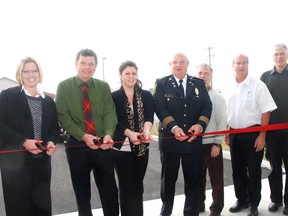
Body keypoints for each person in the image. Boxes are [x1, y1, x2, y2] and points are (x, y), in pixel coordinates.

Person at [55, 49, 119, 216]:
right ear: (76, 64)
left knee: (110, 191)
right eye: (83, 63)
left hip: (102, 144)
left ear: (96, 67)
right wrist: (83, 136)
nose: (87, 67)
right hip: (77, 145)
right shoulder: (63, 86)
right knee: (82, 192)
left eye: (91, 64)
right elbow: (63, 116)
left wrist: (108, 134)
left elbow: (109, 113)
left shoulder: (103, 87)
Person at [153, 52, 212, 216]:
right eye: (174, 62)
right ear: (170, 64)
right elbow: (160, 108)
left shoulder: (198, 84)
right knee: (168, 182)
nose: (178, 65)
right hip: (170, 140)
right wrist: (173, 127)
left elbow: (207, 107)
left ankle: (191, 212)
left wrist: (200, 126)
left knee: (193, 181)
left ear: (188, 63)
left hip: (193, 141)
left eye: (181, 62)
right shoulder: (162, 83)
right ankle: (166, 211)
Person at [0, 57, 60, 216]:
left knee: (42, 209)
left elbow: (54, 129)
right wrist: (24, 141)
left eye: (34, 70)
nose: (30, 74)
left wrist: (52, 142)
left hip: (42, 165)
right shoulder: (7, 96)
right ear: (20, 74)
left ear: (40, 74)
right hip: (15, 166)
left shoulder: (48, 101)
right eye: (25, 71)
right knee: (19, 209)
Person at [225, 54, 277, 216]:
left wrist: (262, 136)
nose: (241, 66)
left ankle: (254, 204)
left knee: (254, 171)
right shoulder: (229, 86)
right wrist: (228, 132)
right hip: (234, 134)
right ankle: (242, 200)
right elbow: (229, 111)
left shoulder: (258, 86)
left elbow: (266, 111)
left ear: (248, 65)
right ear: (232, 65)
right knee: (237, 170)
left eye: (244, 63)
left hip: (253, 134)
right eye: (238, 63)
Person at [111, 60, 154, 216]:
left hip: (142, 147)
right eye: (127, 73)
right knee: (125, 187)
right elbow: (114, 121)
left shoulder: (146, 95)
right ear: (121, 75)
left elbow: (149, 117)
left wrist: (146, 131)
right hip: (121, 148)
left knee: (138, 186)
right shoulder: (113, 97)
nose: (131, 77)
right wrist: (130, 134)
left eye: (134, 73)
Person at [195, 63, 227, 216]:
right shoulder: (193, 97)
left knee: (216, 181)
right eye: (200, 73)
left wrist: (217, 143)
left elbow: (222, 122)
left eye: (206, 73)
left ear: (211, 76)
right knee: (198, 179)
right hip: (196, 145)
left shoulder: (217, 97)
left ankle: (216, 208)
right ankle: (199, 204)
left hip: (212, 145)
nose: (202, 76)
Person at [260, 43, 288, 215]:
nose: (279, 56)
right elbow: (259, 104)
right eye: (276, 54)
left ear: (286, 55)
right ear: (273, 57)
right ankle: (275, 200)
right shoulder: (264, 77)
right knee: (274, 168)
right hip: (271, 133)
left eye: (282, 53)